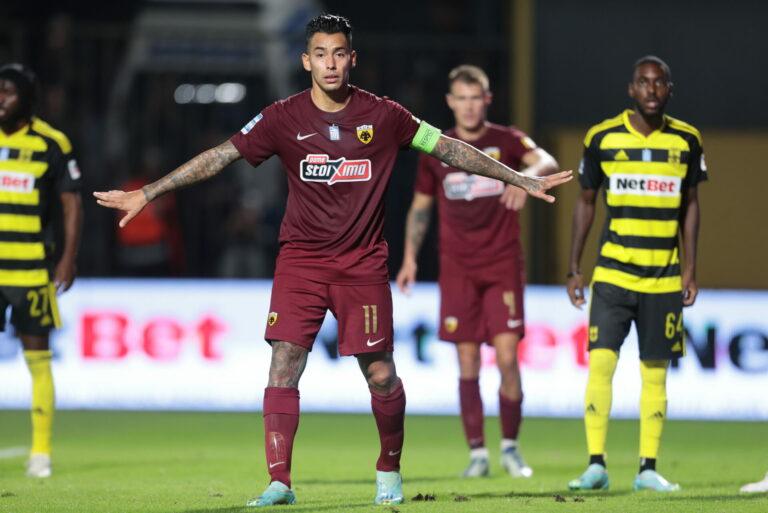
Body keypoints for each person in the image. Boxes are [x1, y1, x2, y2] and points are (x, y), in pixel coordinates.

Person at [95, 14, 572, 507]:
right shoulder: (282, 117)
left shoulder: (384, 115)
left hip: (362, 265)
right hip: (301, 262)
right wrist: (149, 192)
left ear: (352, 59)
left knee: (381, 374)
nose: (330, 63)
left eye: (339, 54)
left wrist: (519, 178)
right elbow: (221, 155)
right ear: (306, 61)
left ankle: (389, 467)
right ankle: (279, 481)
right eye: (320, 54)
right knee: (283, 364)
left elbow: (449, 149)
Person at [395, 65, 558, 479]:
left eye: (475, 98)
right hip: (457, 270)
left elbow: (545, 159)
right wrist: (410, 258)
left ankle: (511, 448)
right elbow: (420, 208)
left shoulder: (507, 140)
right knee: (467, 362)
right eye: (461, 99)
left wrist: (523, 178)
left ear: (487, 100)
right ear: (450, 102)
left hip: (502, 264)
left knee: (507, 359)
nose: (468, 106)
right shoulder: (439, 148)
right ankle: (478, 453)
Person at [566, 56, 706, 492]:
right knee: (601, 365)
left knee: (655, 372)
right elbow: (585, 202)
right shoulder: (602, 137)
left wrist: (690, 269)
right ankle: (596, 464)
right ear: (631, 89)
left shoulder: (687, 140)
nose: (651, 90)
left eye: (659, 83)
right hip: (613, 275)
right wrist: (574, 267)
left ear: (669, 89)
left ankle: (648, 468)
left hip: (663, 278)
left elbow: (691, 205)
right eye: (644, 82)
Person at [0, 63, 83, 478]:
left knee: (37, 358)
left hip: (31, 269)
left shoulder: (51, 142)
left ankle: (40, 452)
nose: (0, 99)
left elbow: (71, 202)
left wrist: (67, 257)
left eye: (8, 92)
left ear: (27, 99)